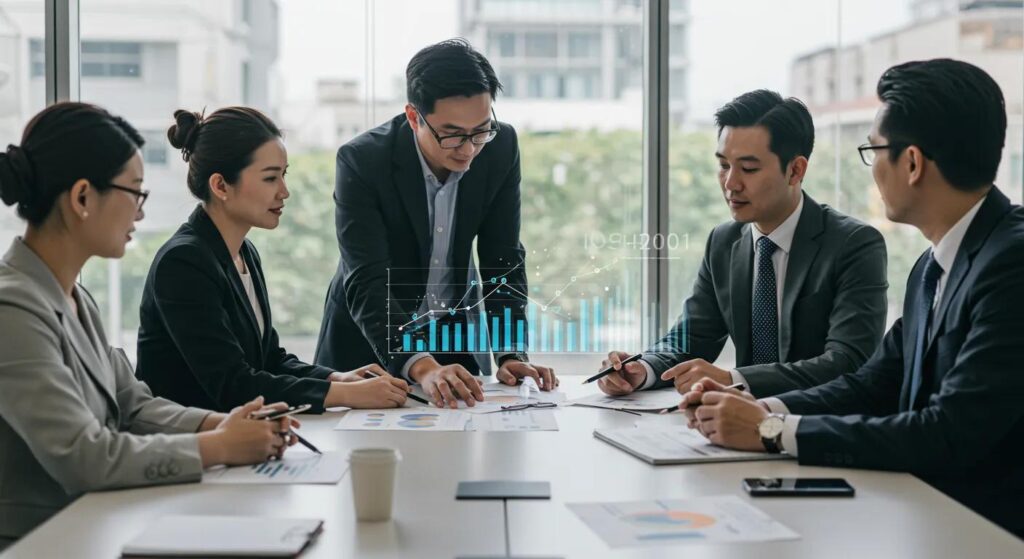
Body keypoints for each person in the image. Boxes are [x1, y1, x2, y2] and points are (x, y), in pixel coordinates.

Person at [679, 59, 1024, 539]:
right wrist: (767, 412)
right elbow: (872, 385)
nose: (872, 168)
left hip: (985, 533)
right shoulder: (932, 265)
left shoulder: (1012, 263)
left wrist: (772, 434)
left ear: (912, 163)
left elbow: (948, 431)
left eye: (873, 150)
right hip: (924, 512)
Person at [0, 103, 296, 546]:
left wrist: (224, 424)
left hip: (99, 523)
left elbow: (134, 406)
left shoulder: (76, 296)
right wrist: (219, 446)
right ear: (82, 198)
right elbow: (85, 456)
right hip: (43, 542)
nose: (139, 213)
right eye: (135, 192)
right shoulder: (12, 308)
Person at [313, 39, 557, 409]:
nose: (469, 148)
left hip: (451, 338)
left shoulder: (501, 146)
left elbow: (502, 258)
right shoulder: (363, 161)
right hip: (370, 343)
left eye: (480, 129)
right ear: (414, 117)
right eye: (453, 133)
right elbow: (367, 279)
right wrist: (421, 366)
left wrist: (511, 354)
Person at [598, 90, 888, 399]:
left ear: (796, 170)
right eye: (724, 165)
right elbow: (693, 336)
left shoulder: (854, 245)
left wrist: (732, 378)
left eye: (748, 169)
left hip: (816, 429)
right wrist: (641, 369)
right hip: (733, 427)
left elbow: (847, 362)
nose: (730, 183)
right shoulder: (724, 242)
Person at [135, 107, 410, 414]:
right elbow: (234, 385)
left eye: (284, 175)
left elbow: (269, 359)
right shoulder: (183, 262)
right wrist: (344, 394)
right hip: (189, 445)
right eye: (270, 178)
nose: (285, 192)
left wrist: (338, 378)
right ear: (221, 186)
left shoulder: (244, 252)